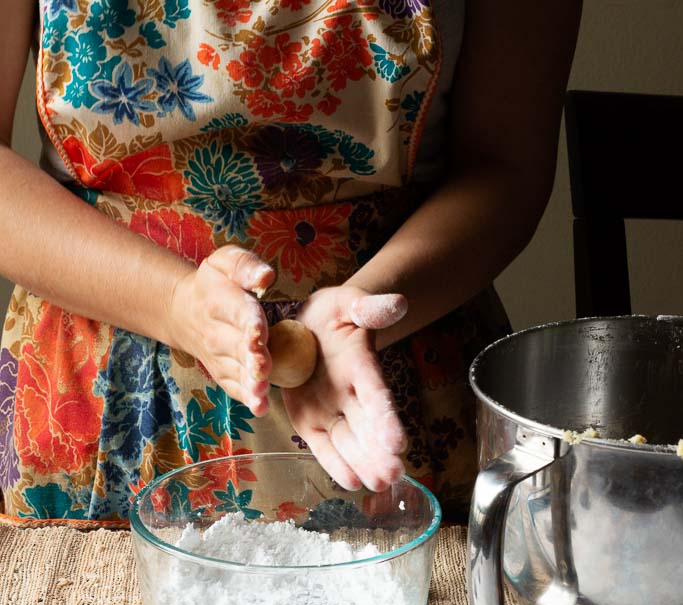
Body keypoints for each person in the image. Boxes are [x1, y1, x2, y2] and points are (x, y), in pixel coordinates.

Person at [0, 0, 581, 525]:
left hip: (384, 387)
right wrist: (176, 304)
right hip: (98, 396)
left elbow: (506, 166)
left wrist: (362, 310)